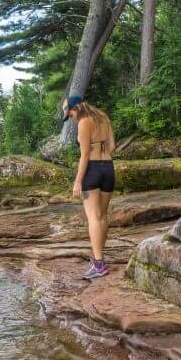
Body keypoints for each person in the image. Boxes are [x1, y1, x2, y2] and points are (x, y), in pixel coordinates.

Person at [63, 94, 116, 280]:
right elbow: (112, 146)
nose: (70, 116)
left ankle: (99, 264)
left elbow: (84, 155)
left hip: (92, 170)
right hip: (108, 168)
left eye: (69, 113)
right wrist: (102, 156)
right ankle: (99, 258)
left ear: (76, 108)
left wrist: (78, 181)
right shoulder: (103, 117)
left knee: (93, 217)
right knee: (102, 216)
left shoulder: (84, 122)